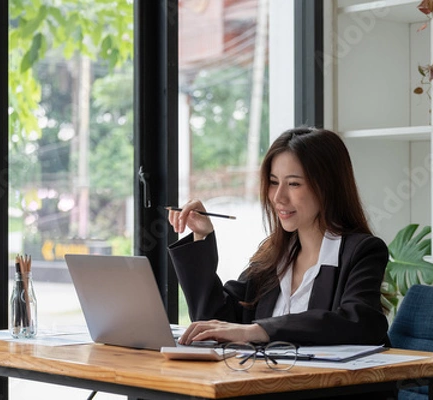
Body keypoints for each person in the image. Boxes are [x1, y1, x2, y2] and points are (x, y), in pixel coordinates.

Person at [167, 127, 389, 348]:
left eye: (293, 183)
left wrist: (259, 330)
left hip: (329, 382)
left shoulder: (362, 251)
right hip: (266, 379)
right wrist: (201, 236)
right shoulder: (274, 254)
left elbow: (360, 322)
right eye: (274, 182)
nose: (278, 197)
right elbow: (215, 319)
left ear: (328, 187)